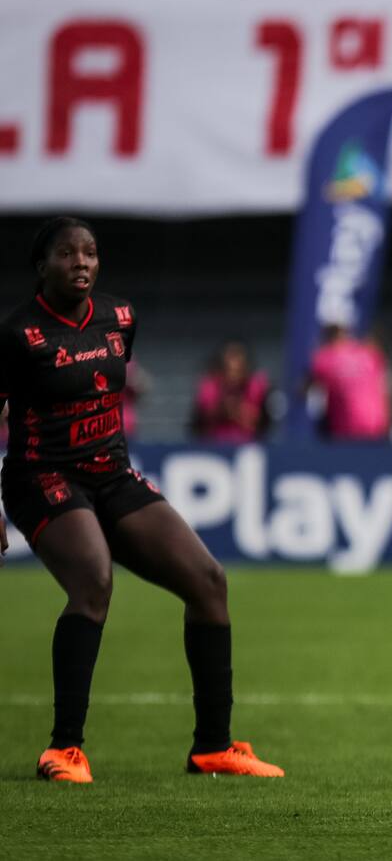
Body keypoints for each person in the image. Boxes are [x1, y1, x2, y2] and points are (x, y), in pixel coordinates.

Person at [0, 217, 283, 783]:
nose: (81, 262)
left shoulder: (119, 318)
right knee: (94, 583)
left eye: (90, 253)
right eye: (66, 254)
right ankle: (64, 750)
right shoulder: (19, 335)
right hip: (42, 478)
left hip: (112, 474)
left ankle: (213, 748)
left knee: (208, 582)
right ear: (42, 266)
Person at [306, 322, 392, 441]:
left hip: (348, 433)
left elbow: (305, 388)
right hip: (378, 428)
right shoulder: (371, 354)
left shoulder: (325, 358)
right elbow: (386, 390)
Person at [190, 339, 271, 443]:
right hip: (214, 446)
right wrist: (222, 409)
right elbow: (204, 418)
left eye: (237, 370)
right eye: (228, 369)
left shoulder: (257, 385)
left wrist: (236, 410)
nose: (233, 376)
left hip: (248, 447)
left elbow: (260, 423)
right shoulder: (209, 385)